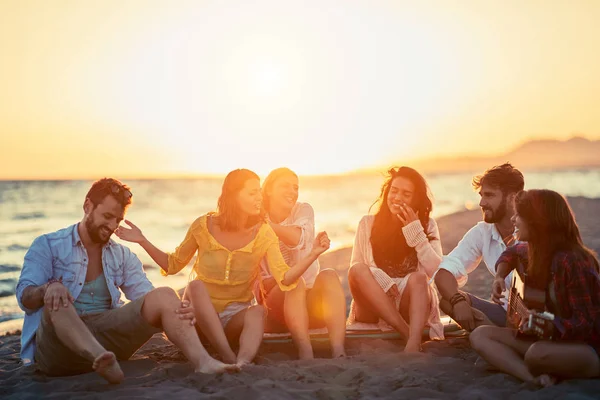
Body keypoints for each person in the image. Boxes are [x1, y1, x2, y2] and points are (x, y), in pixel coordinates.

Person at [15, 178, 237, 384]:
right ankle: (100, 358)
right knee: (58, 296)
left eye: (117, 220)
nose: (112, 226)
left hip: (108, 338)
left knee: (165, 294)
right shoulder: (48, 245)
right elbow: (25, 298)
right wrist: (48, 288)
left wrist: (179, 310)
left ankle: (203, 363)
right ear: (87, 206)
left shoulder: (121, 255)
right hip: (59, 349)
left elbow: (149, 301)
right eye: (107, 216)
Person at [116, 169, 331, 364]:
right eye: (252, 193)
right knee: (196, 286)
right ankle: (227, 356)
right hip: (198, 319)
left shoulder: (263, 232)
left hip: (234, 320)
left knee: (256, 311)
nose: (259, 198)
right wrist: (142, 240)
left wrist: (312, 254)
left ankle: (242, 363)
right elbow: (172, 265)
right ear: (233, 195)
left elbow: (284, 277)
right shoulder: (203, 225)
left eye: (259, 192)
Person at [470, 189, 600, 386]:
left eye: (519, 215)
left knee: (536, 354)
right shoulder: (535, 250)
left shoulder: (574, 261)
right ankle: (534, 378)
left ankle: (548, 368)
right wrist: (499, 276)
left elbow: (586, 323)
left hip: (586, 348)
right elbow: (512, 253)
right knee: (480, 335)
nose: (513, 219)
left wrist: (549, 325)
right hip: (550, 341)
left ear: (537, 221)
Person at [347, 166, 445, 352]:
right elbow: (356, 268)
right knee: (358, 269)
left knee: (418, 278)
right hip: (373, 303)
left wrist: (417, 234)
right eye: (394, 190)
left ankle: (413, 344)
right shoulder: (367, 224)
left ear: (415, 199)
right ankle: (407, 334)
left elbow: (437, 273)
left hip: (409, 303)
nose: (397, 197)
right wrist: (379, 276)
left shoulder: (428, 225)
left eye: (406, 194)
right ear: (387, 192)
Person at [257, 167, 346, 359]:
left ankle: (339, 350)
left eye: (295, 187)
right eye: (285, 186)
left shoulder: (303, 209)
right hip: (276, 308)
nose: (292, 192)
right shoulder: (254, 218)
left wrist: (269, 226)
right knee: (294, 283)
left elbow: (299, 239)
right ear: (269, 189)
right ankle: (306, 352)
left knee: (329, 275)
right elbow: (262, 282)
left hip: (311, 308)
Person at [434, 163, 524, 331]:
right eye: (481, 195)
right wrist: (458, 301)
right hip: (505, 314)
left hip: (537, 314)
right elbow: (444, 272)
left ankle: (495, 338)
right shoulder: (482, 232)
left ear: (513, 197)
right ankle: (498, 337)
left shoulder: (533, 229)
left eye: (489, 195)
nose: (482, 202)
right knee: (448, 301)